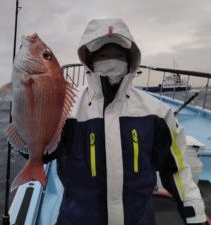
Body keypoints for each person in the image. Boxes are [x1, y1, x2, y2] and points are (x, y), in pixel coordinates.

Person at [23, 18, 207, 225]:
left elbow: (176, 169)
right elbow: (45, 153)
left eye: (118, 54)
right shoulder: (68, 110)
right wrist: (24, 106)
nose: (111, 59)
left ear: (131, 59)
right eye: (102, 55)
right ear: (89, 59)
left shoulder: (157, 113)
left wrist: (195, 214)